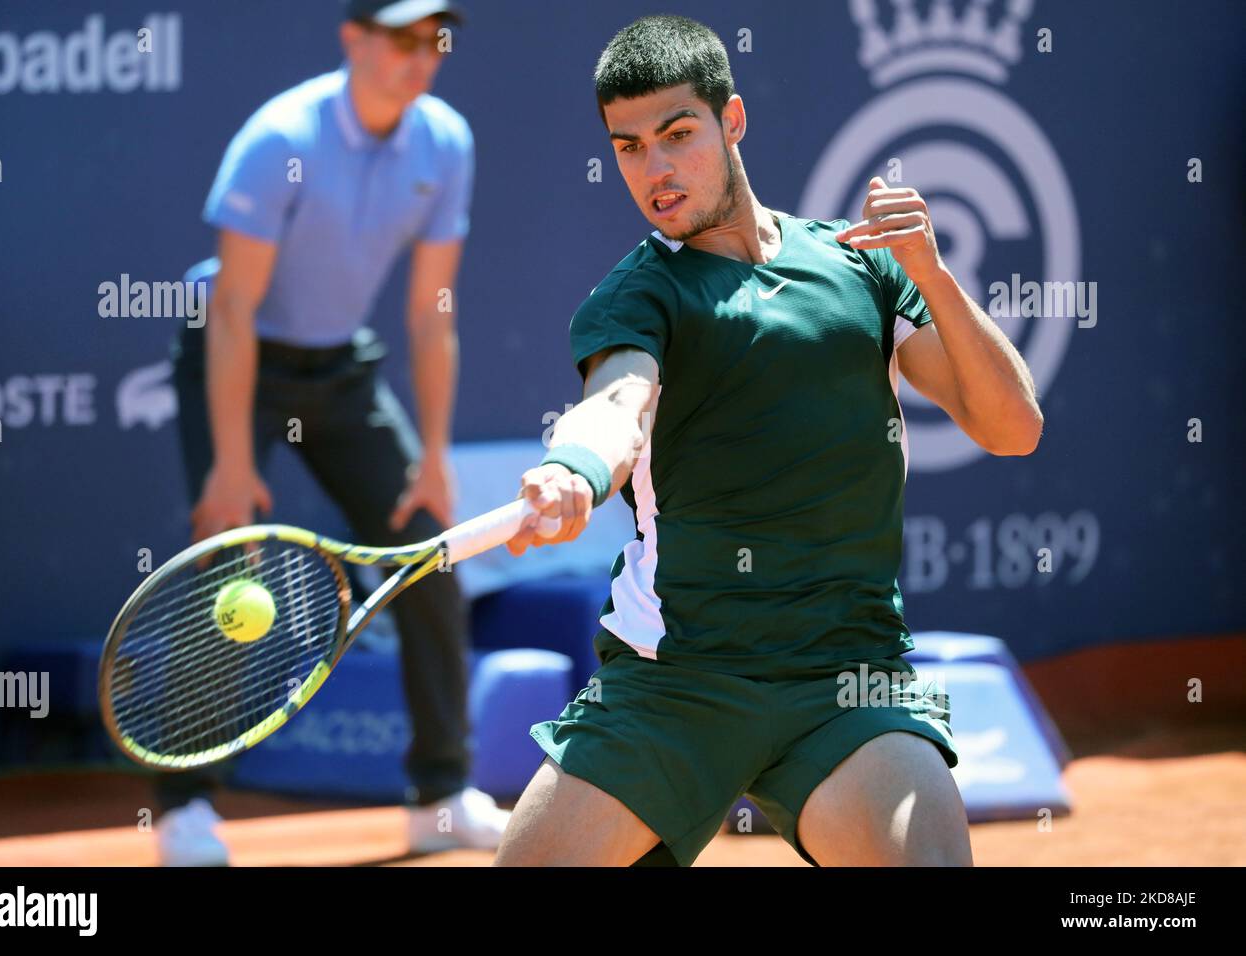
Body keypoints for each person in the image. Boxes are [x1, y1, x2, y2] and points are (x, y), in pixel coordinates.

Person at [495, 14, 1043, 867]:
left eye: (678, 134)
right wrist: (573, 467)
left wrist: (933, 275)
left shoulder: (863, 269)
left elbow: (1012, 427)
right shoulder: (636, 298)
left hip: (848, 681)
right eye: (629, 147)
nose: (656, 171)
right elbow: (617, 402)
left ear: (733, 119)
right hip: (673, 683)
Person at [157, 0, 509, 865]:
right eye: (401, 38)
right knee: (228, 566)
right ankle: (183, 808)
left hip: (341, 368)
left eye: (435, 40)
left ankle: (439, 795)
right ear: (353, 39)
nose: (422, 56)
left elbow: (433, 312)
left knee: (429, 555)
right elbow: (232, 308)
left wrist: (432, 455)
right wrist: (233, 468)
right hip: (238, 355)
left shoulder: (447, 142)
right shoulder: (282, 138)